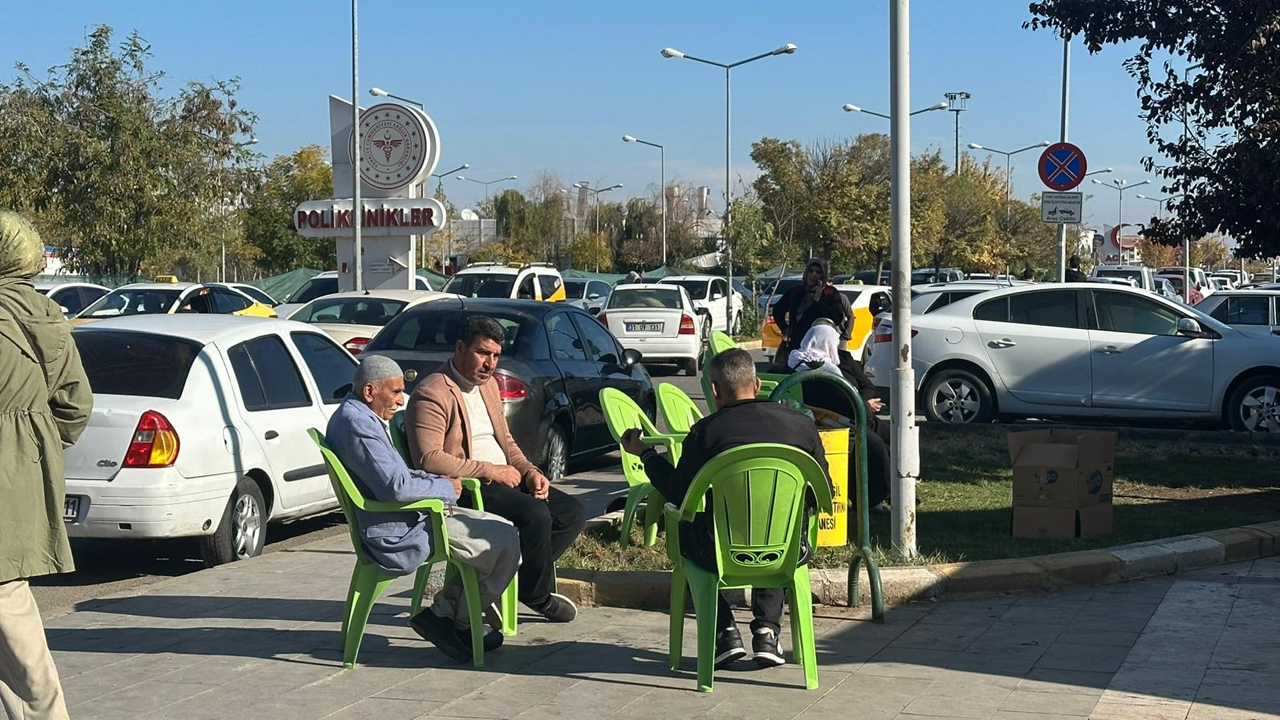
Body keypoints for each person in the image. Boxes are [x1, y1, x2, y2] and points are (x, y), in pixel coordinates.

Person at [621, 349, 830, 669]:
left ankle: (724, 632)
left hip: (719, 551)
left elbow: (678, 493)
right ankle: (767, 631)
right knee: (781, 526)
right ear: (757, 385)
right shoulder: (801, 426)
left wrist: (646, 455)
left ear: (715, 390)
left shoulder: (706, 433)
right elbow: (822, 492)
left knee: (688, 528)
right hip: (787, 551)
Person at [325, 355, 521, 663]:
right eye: (395, 392)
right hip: (399, 529)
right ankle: (455, 620)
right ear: (369, 392)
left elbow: (396, 475)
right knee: (507, 541)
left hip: (409, 517)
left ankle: (447, 614)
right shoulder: (357, 424)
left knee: (501, 531)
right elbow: (395, 487)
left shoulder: (356, 416)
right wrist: (445, 488)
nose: (401, 400)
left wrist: (438, 481)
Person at [406, 316, 586, 623]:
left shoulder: (488, 385)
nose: (490, 364)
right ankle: (537, 594)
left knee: (571, 513)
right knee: (535, 517)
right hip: (469, 487)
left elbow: (507, 442)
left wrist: (529, 470)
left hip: (505, 478)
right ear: (460, 348)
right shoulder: (432, 392)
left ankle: (518, 586)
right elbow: (429, 458)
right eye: (482, 353)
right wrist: (490, 470)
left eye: (495, 355)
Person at [0, 212, 93, 720]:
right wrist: (29, 447)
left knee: (12, 619)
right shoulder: (48, 317)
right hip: (20, 481)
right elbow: (76, 406)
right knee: (10, 606)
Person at [785, 320, 891, 515]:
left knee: (887, 436)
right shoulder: (828, 374)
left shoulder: (793, 363)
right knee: (876, 443)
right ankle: (877, 497)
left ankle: (893, 488)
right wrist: (865, 408)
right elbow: (849, 406)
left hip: (829, 420)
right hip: (838, 423)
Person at [771, 258, 849, 367]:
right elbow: (778, 310)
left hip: (820, 348)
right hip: (797, 344)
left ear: (823, 275)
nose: (814, 275)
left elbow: (837, 317)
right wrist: (785, 328)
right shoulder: (796, 291)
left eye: (818, 272)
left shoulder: (830, 293)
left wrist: (819, 301)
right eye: (811, 271)